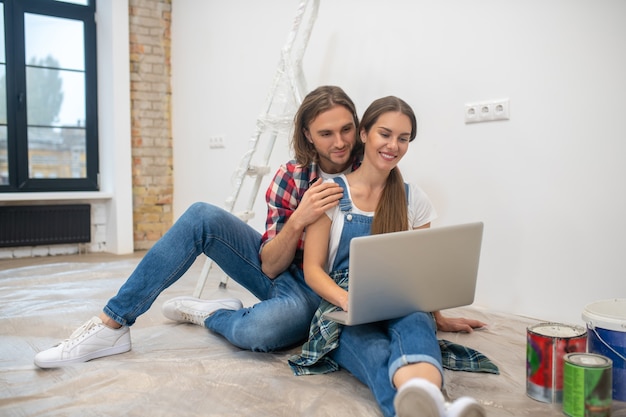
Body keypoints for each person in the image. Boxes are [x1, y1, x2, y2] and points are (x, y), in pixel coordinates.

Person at [34, 85, 364, 367]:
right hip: (289, 273)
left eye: (346, 129)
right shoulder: (292, 177)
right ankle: (112, 324)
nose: (339, 142)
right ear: (307, 135)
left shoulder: (373, 172)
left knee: (261, 333)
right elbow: (270, 265)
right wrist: (298, 220)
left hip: (329, 289)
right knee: (201, 216)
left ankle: (213, 315)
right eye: (326, 133)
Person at [288, 96, 490, 417]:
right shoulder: (330, 192)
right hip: (346, 306)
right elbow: (312, 270)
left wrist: (437, 317)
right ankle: (441, 407)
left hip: (400, 299)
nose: (393, 145)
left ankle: (425, 399)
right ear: (364, 134)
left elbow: (421, 270)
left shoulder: (414, 199)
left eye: (403, 138)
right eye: (385, 134)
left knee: (416, 326)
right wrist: (345, 300)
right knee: (374, 351)